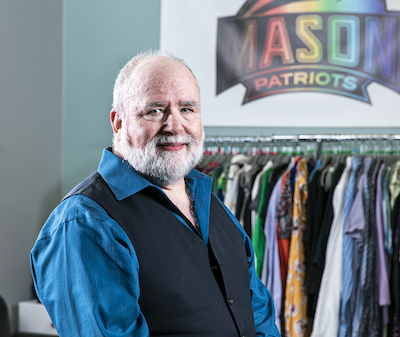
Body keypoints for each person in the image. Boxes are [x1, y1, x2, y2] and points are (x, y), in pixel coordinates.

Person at [31, 50, 280, 337]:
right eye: (155, 110)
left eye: (187, 109)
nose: (174, 125)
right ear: (118, 122)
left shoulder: (208, 200)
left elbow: (258, 315)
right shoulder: (85, 223)